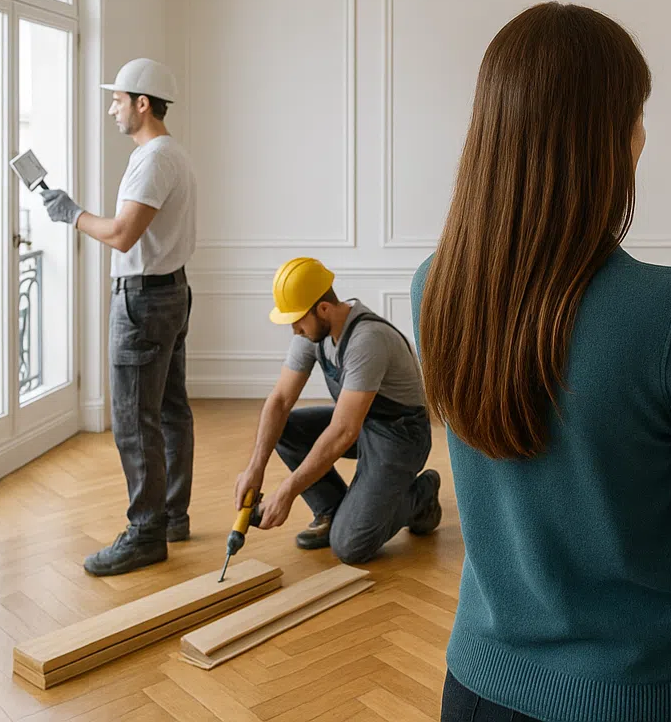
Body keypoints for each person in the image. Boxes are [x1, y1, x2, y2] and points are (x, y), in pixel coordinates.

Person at [413, 2, 671, 722]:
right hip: (653, 694)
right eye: (637, 114)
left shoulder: (433, 286)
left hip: (480, 689)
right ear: (607, 137)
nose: (644, 134)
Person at [40, 57, 198, 576]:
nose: (112, 109)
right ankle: (171, 515)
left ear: (142, 103)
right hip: (172, 292)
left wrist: (71, 213)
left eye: (117, 100)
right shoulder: (172, 153)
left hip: (144, 302)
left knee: (134, 421)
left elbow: (123, 234)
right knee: (171, 409)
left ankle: (146, 532)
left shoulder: (153, 159)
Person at [234, 257, 441, 564]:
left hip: (400, 437)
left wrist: (288, 491)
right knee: (286, 428)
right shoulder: (312, 333)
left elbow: (344, 431)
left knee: (350, 546)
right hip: (363, 423)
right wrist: (255, 466)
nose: (294, 330)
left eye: (297, 320)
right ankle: (331, 510)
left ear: (324, 309)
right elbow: (279, 401)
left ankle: (421, 495)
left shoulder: (367, 340)